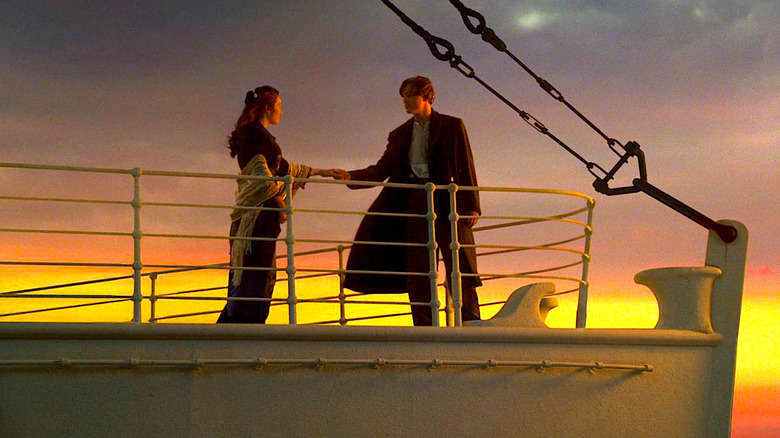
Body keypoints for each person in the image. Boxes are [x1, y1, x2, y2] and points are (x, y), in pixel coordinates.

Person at [342, 76, 482, 326]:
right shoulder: (400, 133)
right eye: (403, 96)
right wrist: (349, 176)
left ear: (426, 96)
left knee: (459, 263)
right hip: (414, 203)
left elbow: (465, 164)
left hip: (447, 200)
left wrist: (471, 205)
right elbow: (381, 168)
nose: (405, 101)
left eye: (410, 95)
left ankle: (471, 321)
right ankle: (425, 325)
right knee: (419, 267)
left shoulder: (451, 125)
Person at [217, 86, 348, 324]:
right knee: (256, 272)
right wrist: (279, 202)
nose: (281, 111)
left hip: (251, 217)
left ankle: (234, 328)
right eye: (279, 106)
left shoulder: (255, 135)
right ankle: (243, 329)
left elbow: (284, 169)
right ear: (268, 108)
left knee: (248, 271)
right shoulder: (258, 136)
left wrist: (320, 172)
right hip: (257, 218)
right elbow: (263, 177)